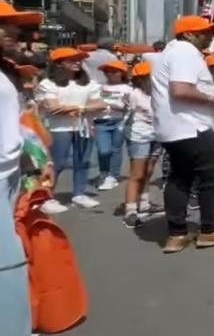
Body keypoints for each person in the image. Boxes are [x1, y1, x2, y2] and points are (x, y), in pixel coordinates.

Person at [152, 15, 214, 254]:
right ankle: (209, 230)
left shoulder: (173, 52)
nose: (210, 36)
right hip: (191, 127)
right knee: (211, 175)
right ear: (189, 34)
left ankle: (177, 234)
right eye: (204, 32)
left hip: (173, 128)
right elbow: (181, 90)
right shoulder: (185, 51)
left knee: (179, 178)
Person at [0, 2, 42, 336]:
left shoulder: (5, 73)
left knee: (11, 257)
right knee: (6, 262)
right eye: (5, 26)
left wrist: (31, 163)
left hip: (9, 176)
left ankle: (13, 332)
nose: (15, 33)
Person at [36, 48, 107, 212]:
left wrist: (79, 108)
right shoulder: (48, 84)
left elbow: (101, 104)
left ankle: (79, 194)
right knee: (56, 164)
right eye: (72, 60)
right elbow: (53, 108)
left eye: (78, 60)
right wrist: (86, 108)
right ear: (59, 64)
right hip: (58, 128)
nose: (77, 63)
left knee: (82, 161)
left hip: (84, 127)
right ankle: (45, 197)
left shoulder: (89, 83)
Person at [121, 61, 164, 229]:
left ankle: (145, 203)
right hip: (138, 135)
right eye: (150, 77)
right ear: (140, 79)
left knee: (149, 171)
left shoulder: (160, 93)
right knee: (137, 173)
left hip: (157, 134)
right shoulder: (135, 94)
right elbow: (125, 114)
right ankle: (130, 211)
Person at [92, 60, 132, 192]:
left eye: (114, 71)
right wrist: (111, 105)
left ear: (122, 73)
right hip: (101, 122)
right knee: (103, 151)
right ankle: (104, 173)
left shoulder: (128, 89)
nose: (110, 74)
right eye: (107, 72)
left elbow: (127, 107)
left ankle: (113, 176)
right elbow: (94, 104)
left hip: (119, 122)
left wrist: (108, 105)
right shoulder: (99, 87)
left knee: (116, 150)